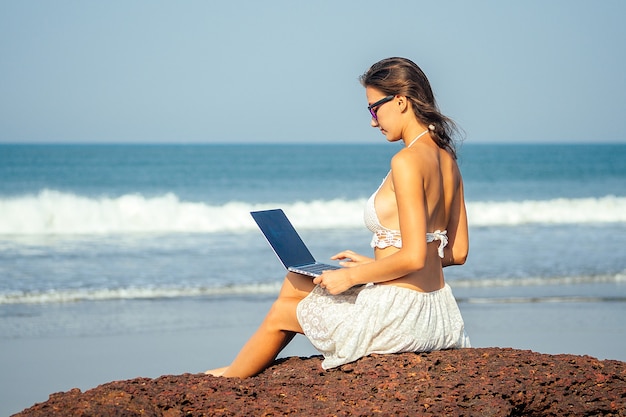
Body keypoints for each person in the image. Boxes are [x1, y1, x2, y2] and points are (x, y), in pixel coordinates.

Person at [205, 57, 470, 378]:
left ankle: (228, 383)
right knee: (296, 280)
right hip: (437, 313)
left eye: (374, 109)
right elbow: (456, 253)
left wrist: (351, 277)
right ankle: (233, 369)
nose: (374, 121)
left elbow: (415, 257)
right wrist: (373, 266)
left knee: (282, 313)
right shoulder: (447, 159)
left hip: (403, 316)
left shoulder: (407, 161)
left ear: (400, 101)